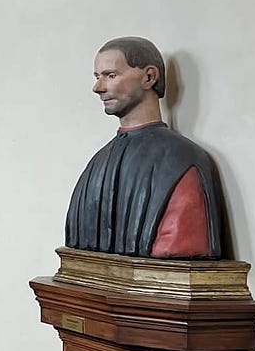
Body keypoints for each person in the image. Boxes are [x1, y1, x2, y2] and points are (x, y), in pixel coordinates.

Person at [64, 37, 225, 259]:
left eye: (111, 75)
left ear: (149, 77)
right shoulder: (97, 162)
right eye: (97, 77)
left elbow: (181, 250)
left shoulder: (181, 158)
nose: (98, 88)